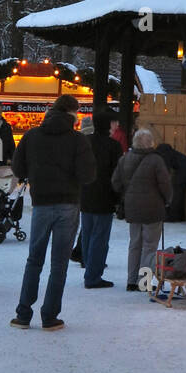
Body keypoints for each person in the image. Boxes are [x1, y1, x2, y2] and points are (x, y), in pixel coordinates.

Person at [10, 94, 96, 330]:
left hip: (41, 204)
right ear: (72, 113)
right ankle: (49, 316)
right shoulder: (78, 140)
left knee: (34, 259)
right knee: (59, 264)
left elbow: (17, 168)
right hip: (68, 204)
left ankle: (23, 314)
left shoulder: (32, 136)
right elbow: (88, 176)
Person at [112, 129, 172, 293]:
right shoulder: (156, 160)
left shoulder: (124, 159)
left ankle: (131, 281)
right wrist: (168, 200)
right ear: (151, 143)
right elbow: (165, 184)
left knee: (134, 244)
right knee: (149, 246)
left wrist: (128, 194)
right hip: (153, 208)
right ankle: (143, 282)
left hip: (132, 207)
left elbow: (115, 182)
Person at [79, 108, 121, 289]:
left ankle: (89, 267)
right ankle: (93, 276)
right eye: (114, 122)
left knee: (87, 233)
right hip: (105, 195)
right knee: (100, 237)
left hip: (85, 193)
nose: (117, 125)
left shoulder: (85, 142)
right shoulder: (113, 146)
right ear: (108, 124)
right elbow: (117, 174)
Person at [155, 143, 186, 222]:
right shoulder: (173, 153)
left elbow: (166, 169)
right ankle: (180, 217)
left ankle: (174, 217)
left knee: (177, 195)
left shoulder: (165, 154)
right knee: (180, 195)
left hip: (183, 172)